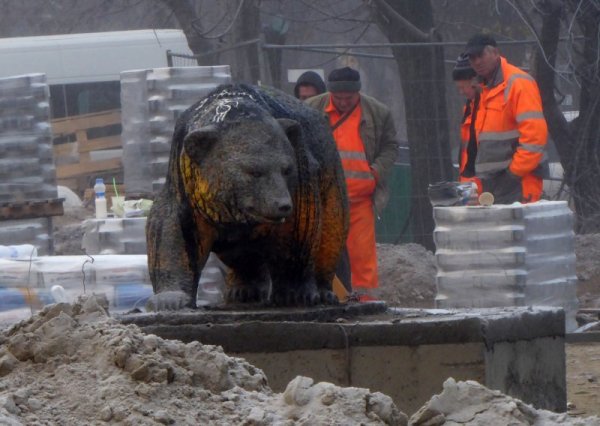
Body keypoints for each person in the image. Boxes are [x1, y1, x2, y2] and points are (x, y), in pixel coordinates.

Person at [306, 67, 398, 297]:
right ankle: (328, 298)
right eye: (338, 98)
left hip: (360, 202)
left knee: (362, 259)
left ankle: (364, 304)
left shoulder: (378, 113)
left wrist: (374, 172)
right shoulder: (310, 109)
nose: (344, 102)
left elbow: (390, 147)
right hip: (324, 202)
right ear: (330, 93)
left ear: (358, 92)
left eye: (349, 98)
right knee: (323, 254)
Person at [466, 33, 548, 204]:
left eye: (480, 55)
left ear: (495, 53)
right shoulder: (483, 90)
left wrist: (512, 175)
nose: (476, 61)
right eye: (472, 57)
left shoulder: (519, 84)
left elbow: (534, 140)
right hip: (495, 184)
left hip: (519, 182)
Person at [452, 53, 481, 190]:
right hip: (470, 186)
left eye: (463, 87)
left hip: (479, 186)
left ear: (474, 81)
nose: (461, 92)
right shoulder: (470, 109)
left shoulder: (482, 109)